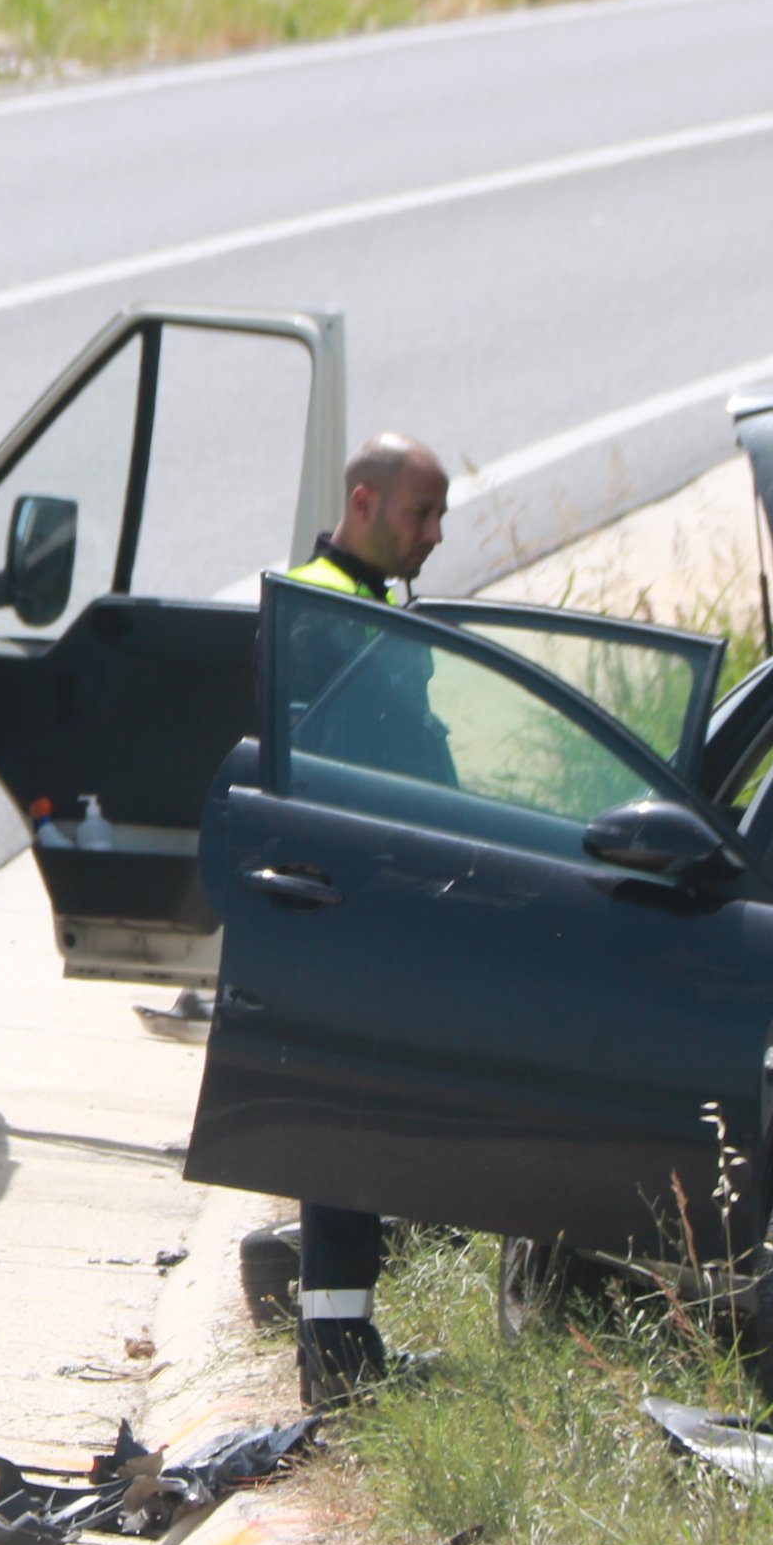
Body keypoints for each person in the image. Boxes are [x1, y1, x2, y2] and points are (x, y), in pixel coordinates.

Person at [274, 432, 450, 1408]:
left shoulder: (369, 603)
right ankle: (336, 1359)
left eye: (439, 517)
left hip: (378, 902)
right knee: (342, 1133)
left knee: (366, 1129)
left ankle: (348, 1338)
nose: (433, 536)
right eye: (421, 514)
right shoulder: (321, 607)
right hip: (342, 907)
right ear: (365, 501)